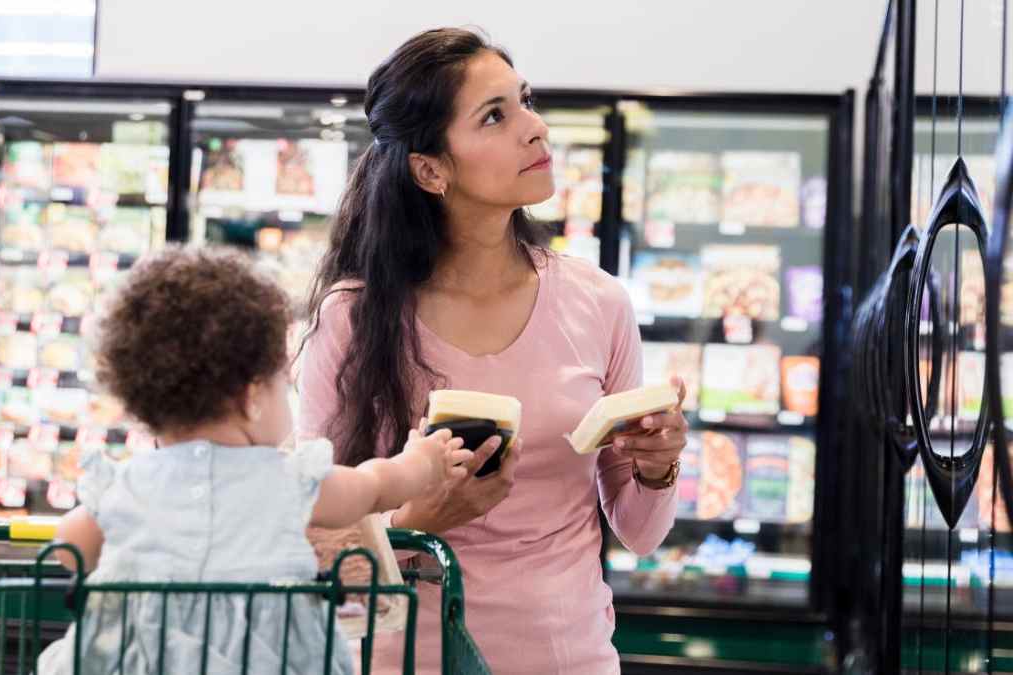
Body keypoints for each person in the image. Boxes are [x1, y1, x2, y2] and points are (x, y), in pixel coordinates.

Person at [298, 27, 689, 674]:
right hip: (403, 658)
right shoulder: (352, 317)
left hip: (568, 656)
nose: (534, 128)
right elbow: (318, 538)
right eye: (494, 116)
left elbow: (641, 532)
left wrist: (658, 465)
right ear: (430, 168)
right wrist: (417, 518)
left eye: (526, 101)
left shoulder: (600, 302)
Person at [38, 246, 473, 674]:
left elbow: (71, 544)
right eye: (282, 381)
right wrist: (422, 464)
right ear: (251, 400)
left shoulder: (126, 485)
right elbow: (373, 487)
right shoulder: (288, 483)